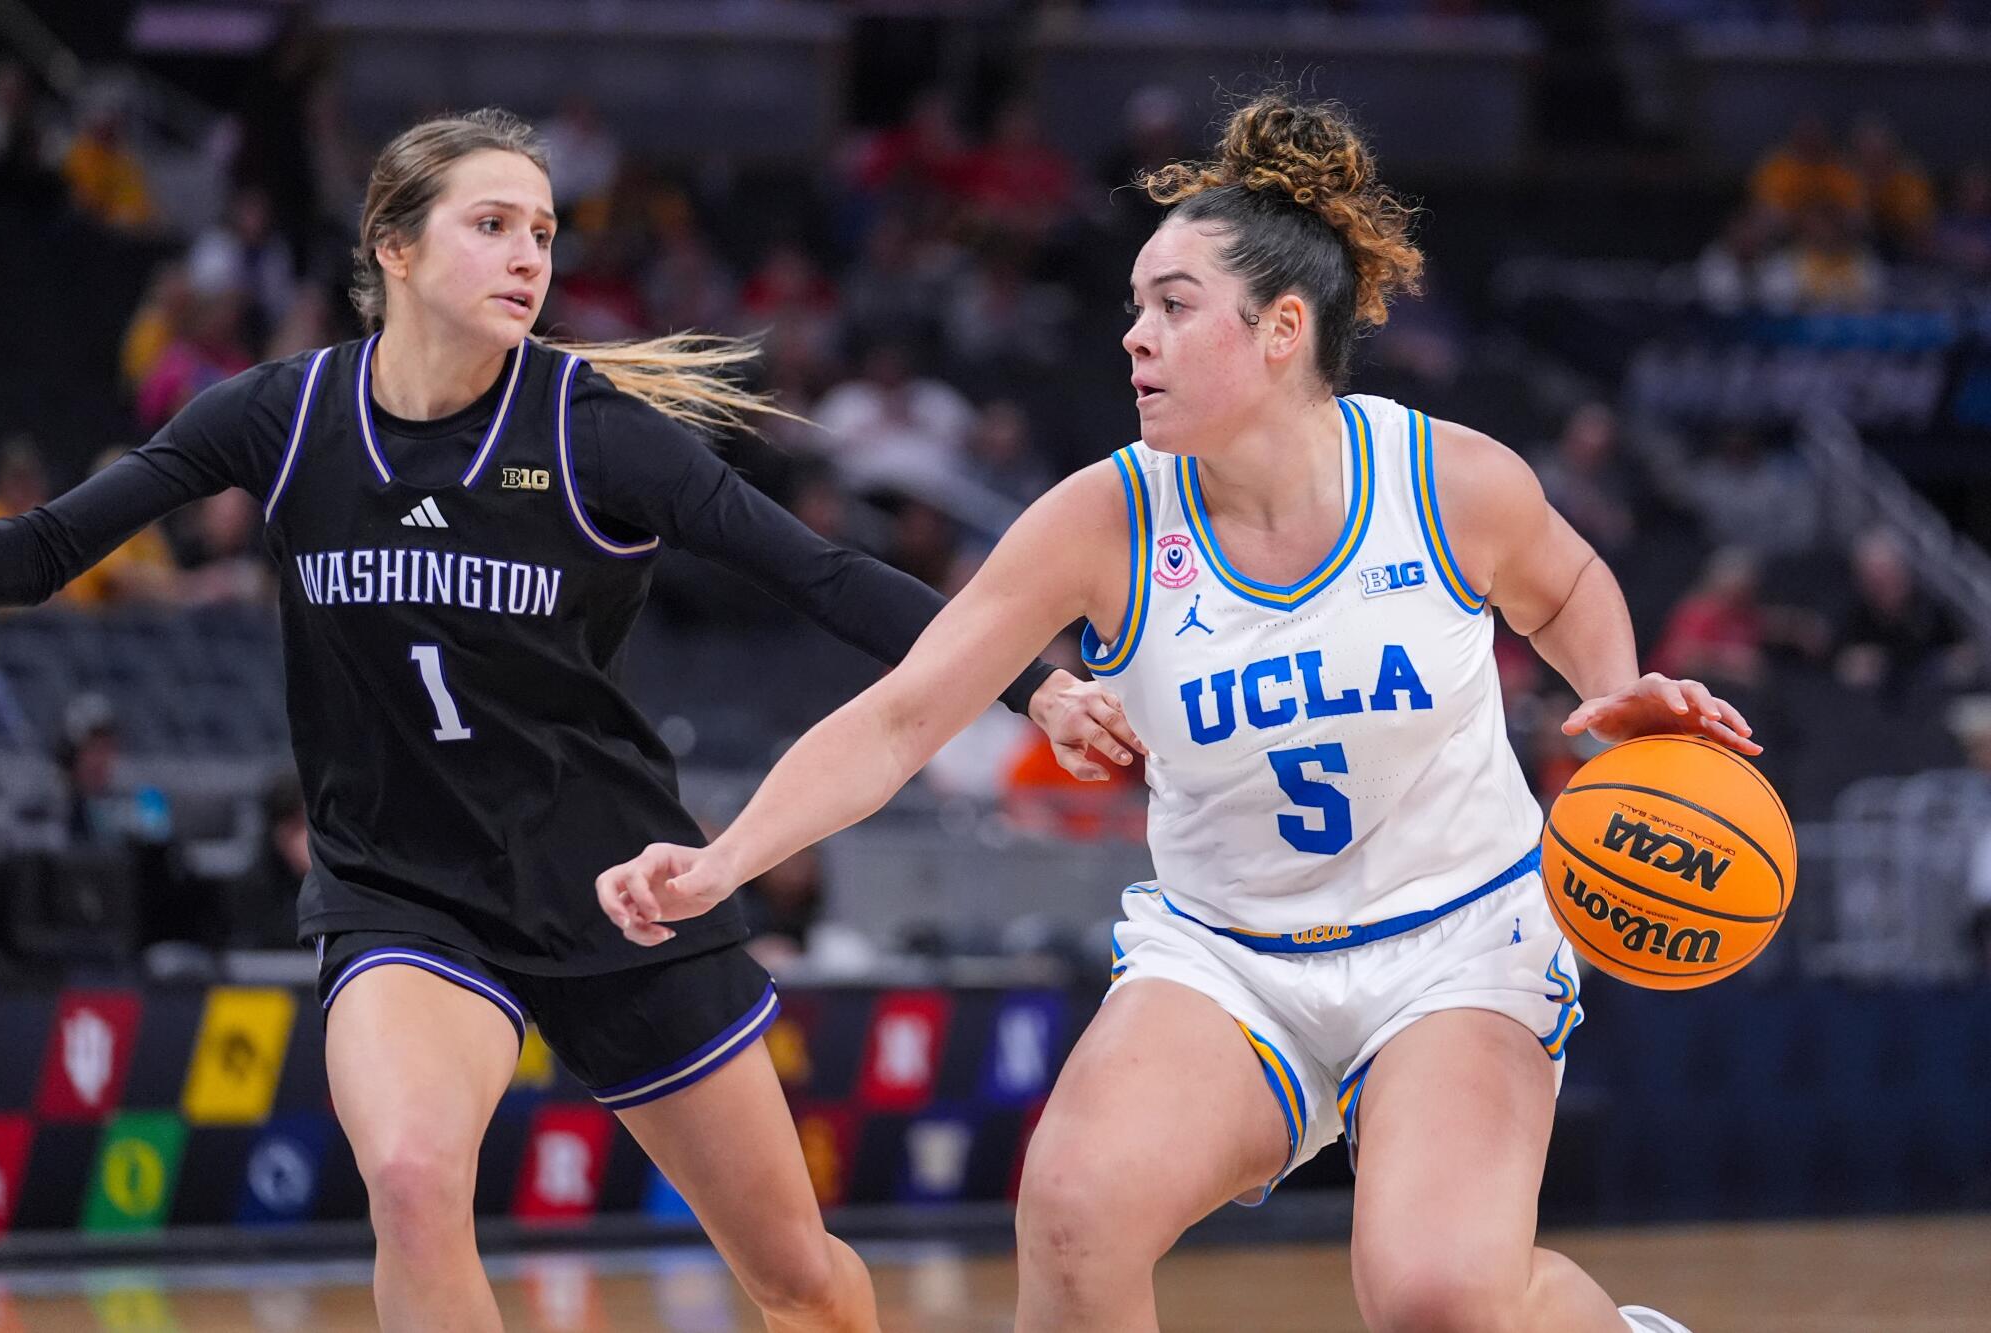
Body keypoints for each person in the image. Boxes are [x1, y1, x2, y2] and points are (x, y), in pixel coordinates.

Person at [597, 91, 1759, 1333]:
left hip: (1457, 943)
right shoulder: (1101, 517)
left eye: (1171, 306)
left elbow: (1568, 581)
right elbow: (900, 717)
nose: (1133, 338)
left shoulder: (1446, 479)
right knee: (1071, 1215)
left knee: (1435, 1299)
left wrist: (1610, 697)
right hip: (1229, 954)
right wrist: (724, 860)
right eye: (1134, 306)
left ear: (1280, 330)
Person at [0, 108, 1135, 1332]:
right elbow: (44, 551)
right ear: (394, 247)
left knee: (796, 1277)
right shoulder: (283, 416)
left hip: (617, 884)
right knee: (416, 1179)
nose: (530, 255)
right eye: (490, 226)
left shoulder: (593, 431)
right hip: (403, 887)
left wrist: (1036, 682)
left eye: (542, 230)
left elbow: (825, 575)